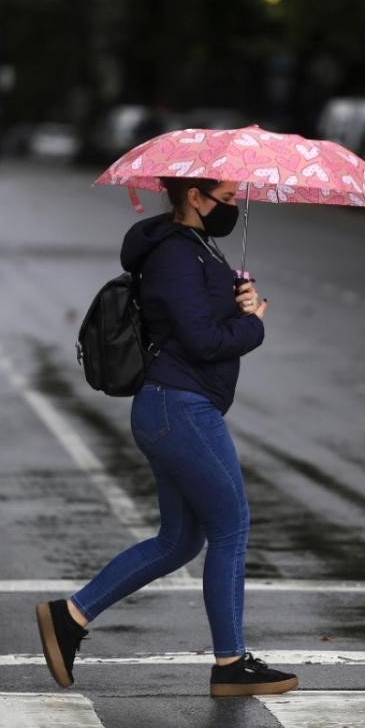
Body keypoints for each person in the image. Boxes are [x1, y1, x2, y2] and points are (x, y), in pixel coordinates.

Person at [35, 176, 299, 698]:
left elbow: (194, 320)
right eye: (225, 198)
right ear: (194, 197)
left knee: (179, 540)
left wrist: (237, 298)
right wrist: (255, 325)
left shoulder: (194, 248)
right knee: (231, 525)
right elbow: (201, 342)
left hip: (174, 407)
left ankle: (69, 616)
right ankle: (229, 662)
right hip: (180, 408)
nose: (233, 207)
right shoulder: (177, 254)